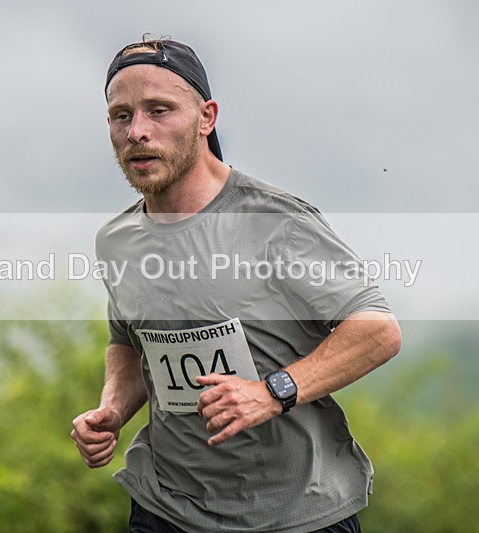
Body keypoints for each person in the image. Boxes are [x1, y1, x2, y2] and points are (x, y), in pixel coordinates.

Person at [71, 36, 402, 533]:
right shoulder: (116, 241)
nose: (137, 131)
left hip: (297, 514)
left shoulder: (274, 221)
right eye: (122, 115)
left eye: (159, 110)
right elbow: (129, 343)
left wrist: (272, 392)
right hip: (166, 509)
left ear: (207, 117)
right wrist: (113, 410)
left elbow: (378, 330)